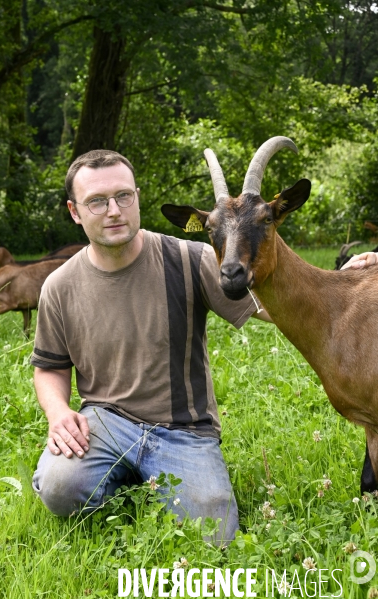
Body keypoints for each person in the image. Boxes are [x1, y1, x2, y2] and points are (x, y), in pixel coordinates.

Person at [31, 149, 271, 543]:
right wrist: (58, 412)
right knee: (59, 487)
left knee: (217, 537)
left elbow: (276, 307)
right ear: (75, 212)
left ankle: (161, 479)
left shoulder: (189, 259)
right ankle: (122, 476)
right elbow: (50, 366)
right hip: (105, 422)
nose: (114, 210)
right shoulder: (60, 286)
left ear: (137, 197)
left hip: (185, 430)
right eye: (97, 201)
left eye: (124, 196)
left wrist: (345, 280)